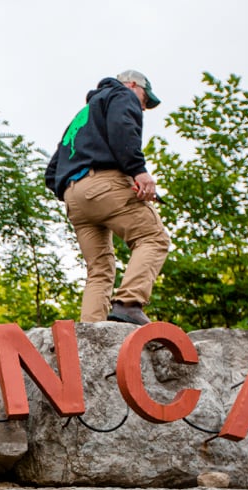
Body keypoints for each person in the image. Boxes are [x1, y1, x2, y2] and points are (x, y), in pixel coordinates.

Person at [45, 70, 171, 325]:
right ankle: (128, 303)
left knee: (99, 270)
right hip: (104, 183)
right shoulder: (121, 94)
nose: (143, 107)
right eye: (145, 100)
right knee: (153, 237)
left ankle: (90, 332)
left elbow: (51, 171)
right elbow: (122, 129)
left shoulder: (83, 116)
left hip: (74, 198)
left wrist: (79, 192)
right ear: (133, 85)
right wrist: (138, 171)